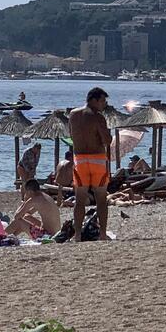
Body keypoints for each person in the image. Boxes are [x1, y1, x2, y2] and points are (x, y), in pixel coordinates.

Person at [68, 87, 112, 242]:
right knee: (101, 198)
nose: (104, 105)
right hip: (97, 159)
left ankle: (78, 235)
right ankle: (102, 233)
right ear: (94, 100)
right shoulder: (97, 117)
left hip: (79, 159)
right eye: (103, 101)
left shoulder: (73, 115)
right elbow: (107, 140)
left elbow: (71, 135)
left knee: (79, 199)